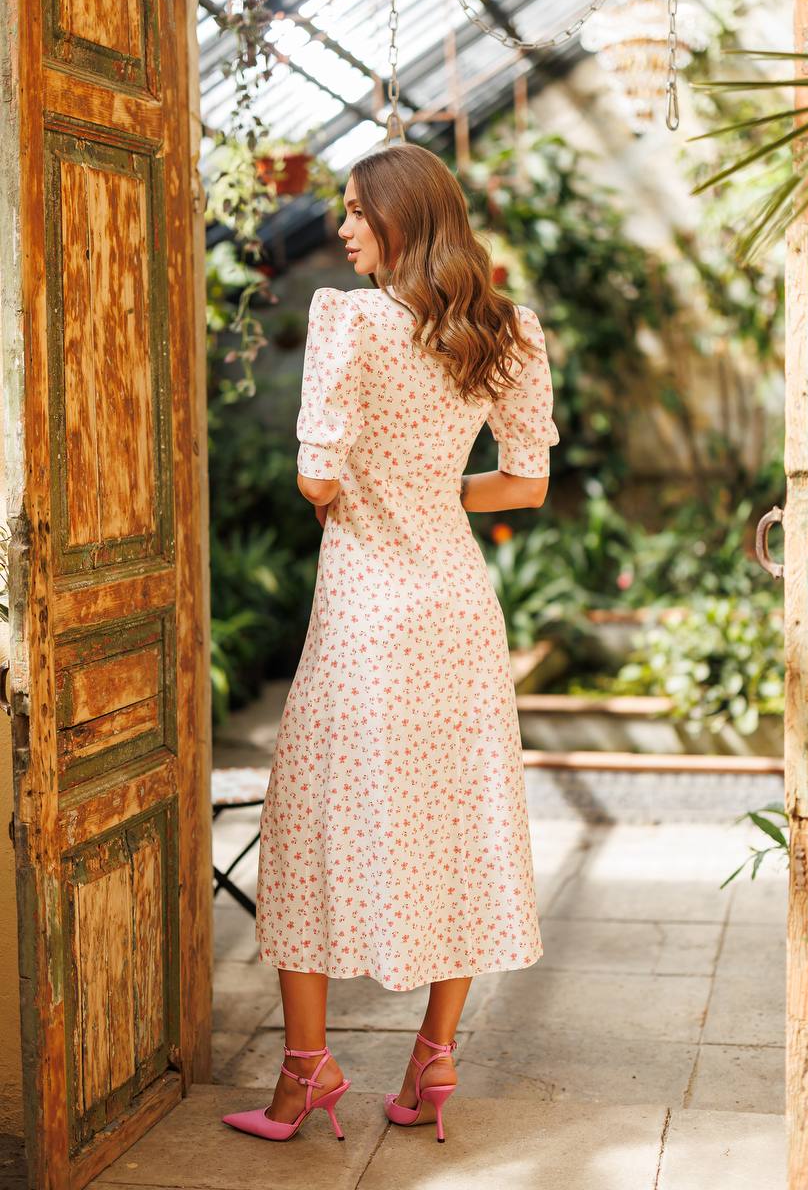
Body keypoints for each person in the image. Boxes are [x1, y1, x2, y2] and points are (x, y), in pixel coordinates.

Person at [222, 142, 560, 1145]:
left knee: (307, 824)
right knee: (454, 822)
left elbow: (317, 477)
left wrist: (366, 488)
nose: (343, 229)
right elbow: (526, 483)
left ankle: (304, 1074)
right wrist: (432, 489)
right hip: (455, 605)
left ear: (403, 220)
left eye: (358, 212)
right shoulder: (510, 330)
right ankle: (432, 1062)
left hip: (370, 610)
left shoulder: (350, 319)